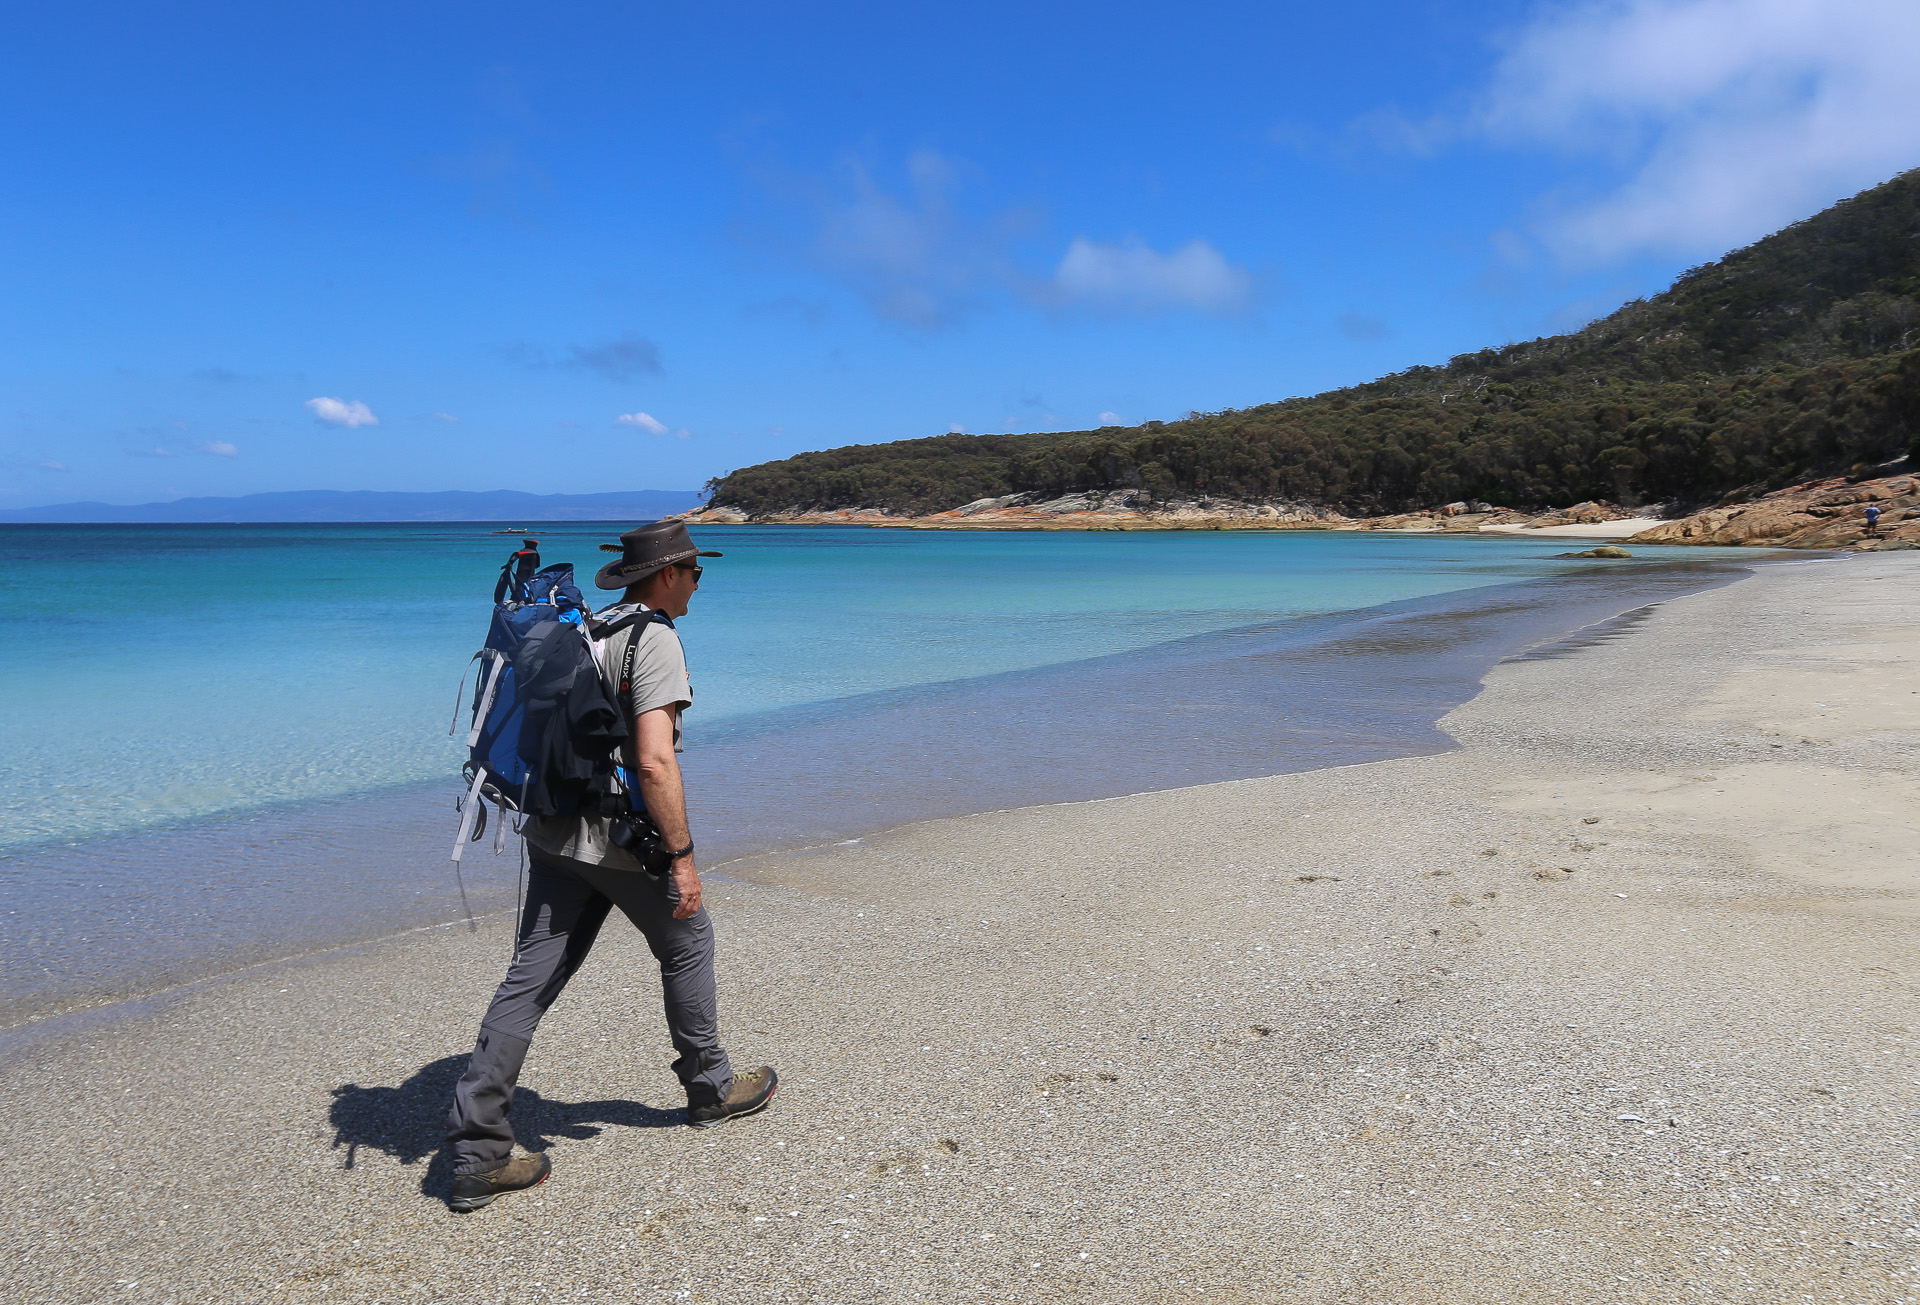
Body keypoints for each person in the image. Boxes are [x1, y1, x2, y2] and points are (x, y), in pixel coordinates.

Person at [443, 520, 777, 1213]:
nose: (697, 583)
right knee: (689, 940)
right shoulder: (652, 637)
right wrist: (682, 858)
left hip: (552, 828)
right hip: (614, 837)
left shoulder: (588, 626)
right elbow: (653, 759)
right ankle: (711, 1089)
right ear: (667, 575)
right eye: (694, 571)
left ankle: (478, 1151)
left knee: (530, 977)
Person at [493, 538, 542, 603]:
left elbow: (514, 557)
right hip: (530, 572)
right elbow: (537, 565)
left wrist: (509, 564)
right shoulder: (535, 553)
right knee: (527, 584)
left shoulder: (521, 551)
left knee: (518, 584)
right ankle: (525, 598)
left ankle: (516, 597)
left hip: (520, 571)